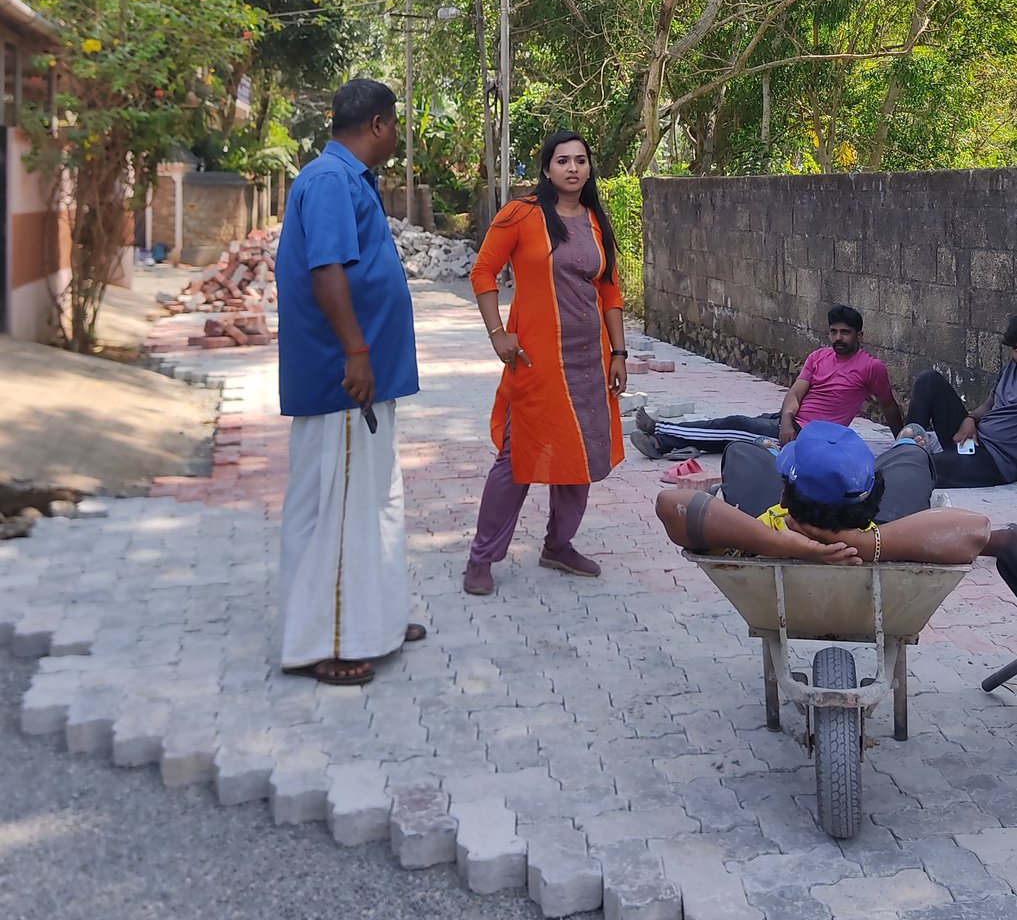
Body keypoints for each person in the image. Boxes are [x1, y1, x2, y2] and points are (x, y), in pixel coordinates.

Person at [275, 78, 424, 686]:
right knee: (336, 509)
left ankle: (374, 618)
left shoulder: (349, 178)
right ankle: (327, 641)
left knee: (370, 501)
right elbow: (327, 271)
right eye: (396, 124)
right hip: (344, 380)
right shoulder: (330, 181)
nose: (398, 135)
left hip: (365, 379)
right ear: (378, 125)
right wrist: (357, 352)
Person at [463, 130, 628, 596]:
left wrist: (619, 352)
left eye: (580, 160)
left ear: (589, 168)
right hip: (537, 360)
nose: (573, 168)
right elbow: (483, 271)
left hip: (590, 361)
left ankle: (558, 545)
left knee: (581, 454)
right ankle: (481, 557)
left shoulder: (596, 220)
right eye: (563, 160)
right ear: (547, 168)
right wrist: (498, 333)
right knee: (517, 457)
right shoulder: (522, 214)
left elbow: (610, 290)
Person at [655, 421, 991, 568]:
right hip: (876, 525)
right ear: (875, 497)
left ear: (783, 498)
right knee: (912, 446)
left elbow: (670, 504)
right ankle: (895, 450)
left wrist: (779, 543)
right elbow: (976, 528)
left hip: (778, 529)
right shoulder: (887, 531)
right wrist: (864, 544)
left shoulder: (763, 527)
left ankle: (777, 455)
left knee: (745, 450)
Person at [631, 304, 905, 459]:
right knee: (733, 431)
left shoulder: (871, 367)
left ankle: (660, 430)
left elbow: (889, 407)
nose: (838, 338)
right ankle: (663, 442)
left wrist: (902, 444)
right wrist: (785, 421)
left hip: (809, 435)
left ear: (860, 336)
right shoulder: (819, 357)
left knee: (736, 426)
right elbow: (795, 394)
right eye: (834, 332)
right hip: (788, 422)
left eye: (845, 332)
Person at [904, 314, 1017, 488]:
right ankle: (906, 448)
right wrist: (970, 419)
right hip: (973, 437)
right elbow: (989, 404)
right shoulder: (1011, 369)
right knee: (928, 380)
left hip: (994, 459)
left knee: (916, 470)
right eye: (1016, 349)